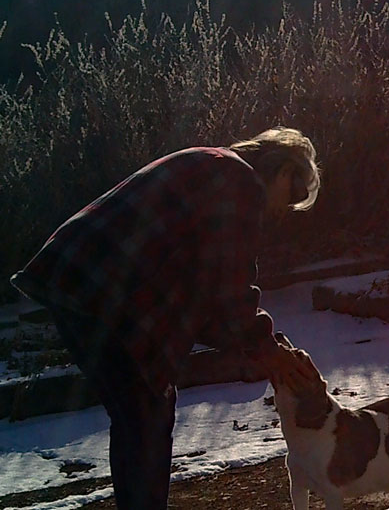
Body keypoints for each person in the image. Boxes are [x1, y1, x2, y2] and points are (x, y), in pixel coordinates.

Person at [11, 126, 320, 510]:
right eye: (293, 195)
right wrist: (266, 348)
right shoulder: (240, 181)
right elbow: (231, 286)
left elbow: (207, 297)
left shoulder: (211, 163)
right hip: (101, 289)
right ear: (284, 170)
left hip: (85, 283)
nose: (283, 210)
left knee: (144, 414)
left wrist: (261, 346)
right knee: (146, 416)